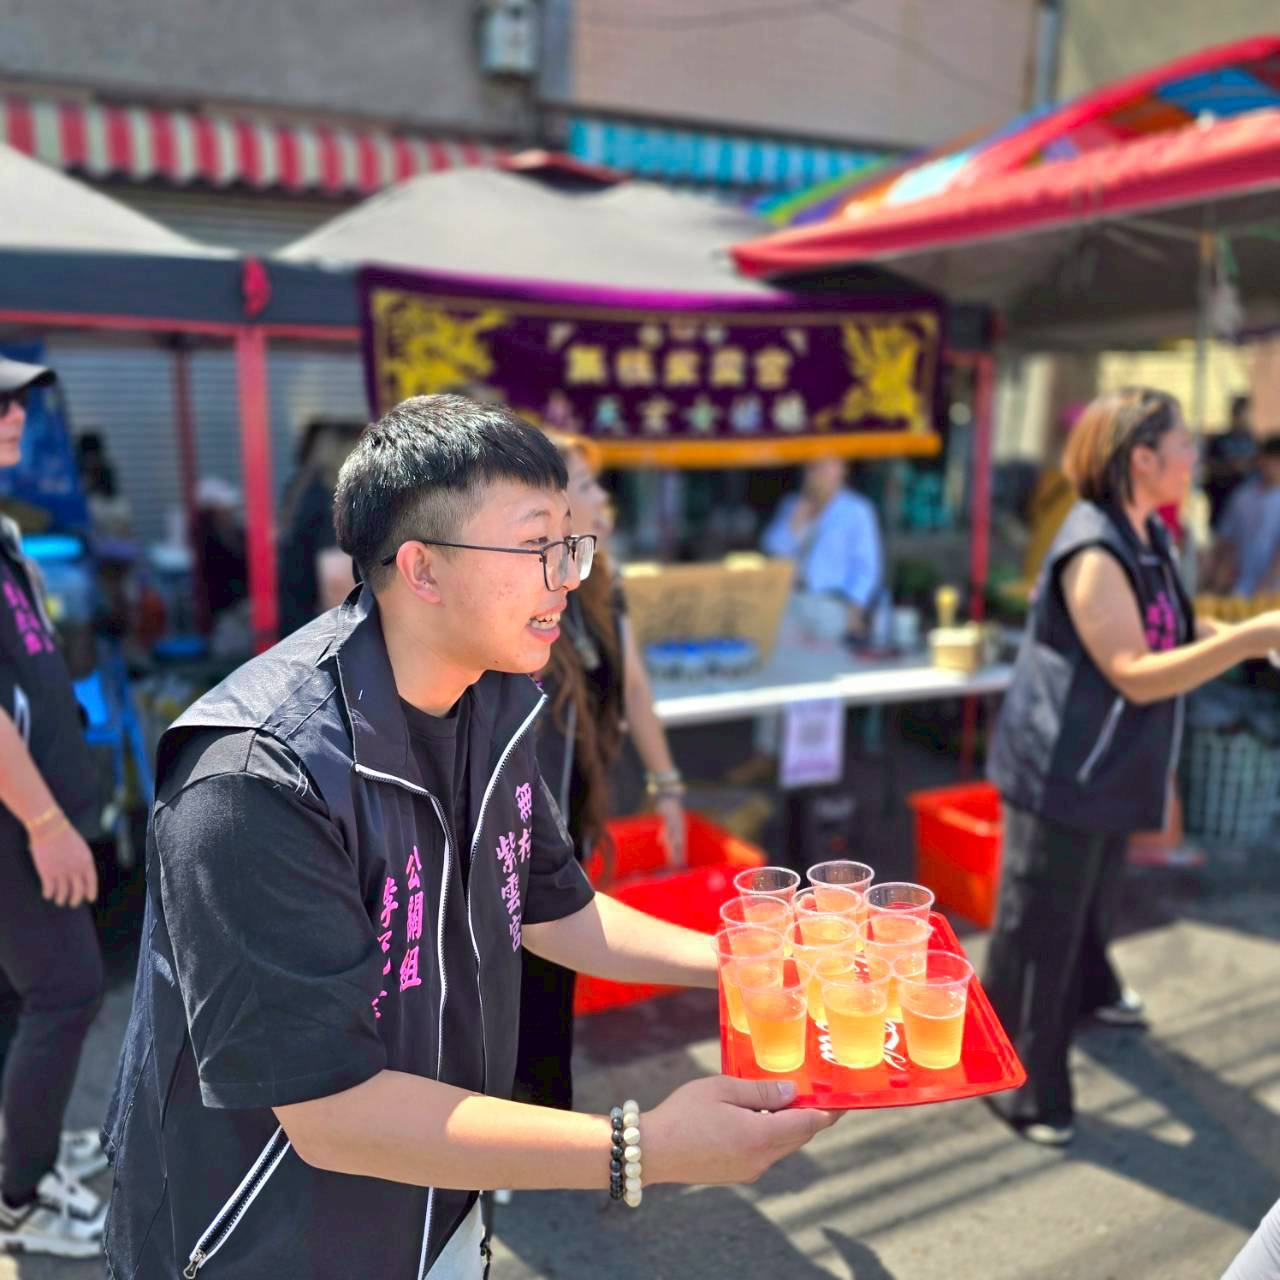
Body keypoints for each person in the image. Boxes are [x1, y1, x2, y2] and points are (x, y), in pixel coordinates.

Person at [103, 395, 836, 1280]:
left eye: (571, 543)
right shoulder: (255, 779)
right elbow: (331, 1112)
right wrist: (640, 1147)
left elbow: (552, 907)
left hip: (439, 1203)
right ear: (422, 569)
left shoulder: (492, 695)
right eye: (536, 547)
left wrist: (746, 963)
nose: (568, 576)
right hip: (262, 1243)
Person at [985, 387, 1280, 1147]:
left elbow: (1168, 625)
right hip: (1063, 766)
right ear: (1141, 458)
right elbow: (1134, 671)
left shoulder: (1149, 531)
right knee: (1038, 922)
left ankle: (1091, 993)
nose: (1195, 458)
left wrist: (1230, 630)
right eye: (1184, 445)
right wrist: (1249, 641)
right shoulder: (1093, 549)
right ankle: (1018, 1080)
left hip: (1112, 761)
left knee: (1090, 900)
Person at [515, 430, 686, 1111]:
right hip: (517, 826)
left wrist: (667, 786)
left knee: (555, 983)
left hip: (576, 814)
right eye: (584, 483)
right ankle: (515, 1134)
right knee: (515, 992)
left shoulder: (603, 585)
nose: (600, 496)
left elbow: (634, 689)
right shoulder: (522, 588)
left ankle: (546, 1124)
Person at [0, 356, 108, 1260]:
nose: (15, 416)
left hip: (31, 810)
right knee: (67, 989)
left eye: (16, 401)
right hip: (14, 822)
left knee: (24, 993)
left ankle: (18, 1148)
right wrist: (43, 824)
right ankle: (19, 1197)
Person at [761, 457, 884, 641]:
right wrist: (794, 524)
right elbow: (772, 549)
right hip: (790, 601)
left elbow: (866, 567)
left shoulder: (857, 510)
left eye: (827, 465)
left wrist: (856, 610)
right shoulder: (792, 504)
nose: (819, 472)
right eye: (814, 466)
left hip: (832, 604)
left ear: (842, 469)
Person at [277, 419, 363, 637]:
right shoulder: (331, 504)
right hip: (320, 633)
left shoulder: (304, 490)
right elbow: (337, 584)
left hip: (297, 624)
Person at [1203, 435, 1280, 598]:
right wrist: (1216, 579)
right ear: (1261, 460)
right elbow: (1227, 540)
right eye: (1271, 461)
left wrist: (1266, 585)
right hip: (1240, 587)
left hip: (1273, 592)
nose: (1273, 467)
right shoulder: (1242, 496)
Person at [1204, 394, 1256, 531]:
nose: (1243, 418)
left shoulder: (1254, 442)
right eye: (1239, 413)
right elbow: (1208, 466)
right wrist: (1230, 467)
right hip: (1223, 499)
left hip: (1247, 504)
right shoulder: (1220, 440)